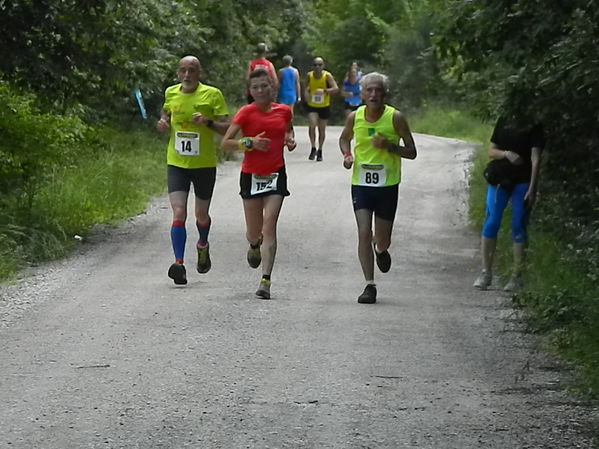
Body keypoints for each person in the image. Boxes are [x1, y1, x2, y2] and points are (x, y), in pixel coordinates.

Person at [339, 72, 417, 304]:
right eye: (369, 90)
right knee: (363, 232)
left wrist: (390, 147)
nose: (373, 94)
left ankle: (381, 250)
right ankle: (369, 285)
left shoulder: (396, 118)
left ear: (384, 94)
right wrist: (346, 154)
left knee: (382, 240)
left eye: (378, 90)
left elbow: (412, 152)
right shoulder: (355, 117)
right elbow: (344, 139)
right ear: (361, 94)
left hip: (387, 185)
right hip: (361, 183)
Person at [221, 68, 296, 300]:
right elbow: (226, 143)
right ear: (250, 91)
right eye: (256, 87)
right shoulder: (245, 113)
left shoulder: (284, 111)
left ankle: (266, 280)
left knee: (269, 224)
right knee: (254, 232)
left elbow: (288, 130)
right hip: (251, 175)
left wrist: (290, 139)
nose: (261, 90)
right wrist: (249, 142)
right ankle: (254, 245)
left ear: (272, 87)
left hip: (275, 174)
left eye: (265, 86)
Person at [156, 56, 229, 285]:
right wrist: (163, 121)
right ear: (178, 73)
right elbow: (166, 111)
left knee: (201, 215)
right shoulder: (171, 92)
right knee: (178, 213)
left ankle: (202, 244)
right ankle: (179, 264)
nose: (187, 75)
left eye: (192, 70)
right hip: (177, 162)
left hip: (204, 164)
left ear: (200, 73)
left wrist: (208, 122)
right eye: (183, 71)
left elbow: (227, 127)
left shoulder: (212, 94)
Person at [473, 116, 544, 292]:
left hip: (523, 180)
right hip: (500, 179)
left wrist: (533, 187)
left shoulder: (534, 124)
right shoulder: (504, 120)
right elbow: (491, 151)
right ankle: (486, 272)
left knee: (518, 224)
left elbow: (536, 158)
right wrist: (506, 154)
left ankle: (516, 276)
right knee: (491, 222)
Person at [305, 57, 338, 161]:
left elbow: (335, 88)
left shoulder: (327, 76)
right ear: (312, 66)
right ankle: (313, 147)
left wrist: (324, 91)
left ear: (323, 66)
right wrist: (306, 95)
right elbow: (306, 87)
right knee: (312, 125)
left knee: (321, 129)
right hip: (312, 105)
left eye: (320, 65)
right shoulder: (309, 76)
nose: (317, 67)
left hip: (324, 105)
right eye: (315, 65)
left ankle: (320, 150)